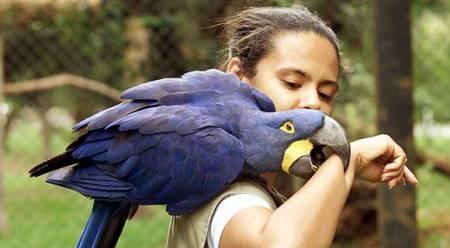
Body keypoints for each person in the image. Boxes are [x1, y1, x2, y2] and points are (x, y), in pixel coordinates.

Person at [166, 6, 418, 248]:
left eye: (325, 93)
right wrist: (347, 160)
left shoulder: (238, 187)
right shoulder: (232, 196)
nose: (313, 103)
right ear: (238, 78)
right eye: (292, 83)